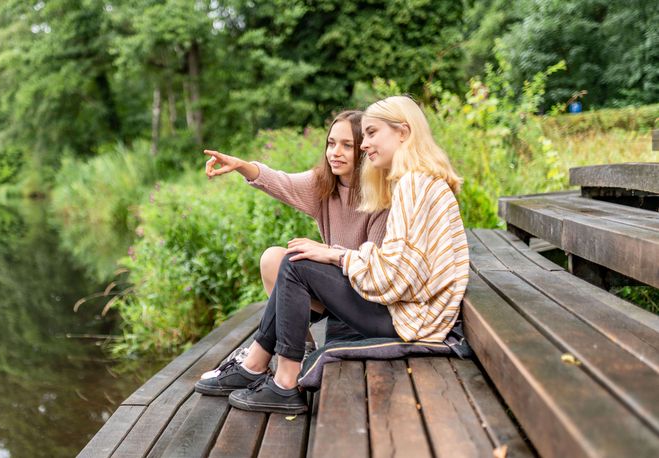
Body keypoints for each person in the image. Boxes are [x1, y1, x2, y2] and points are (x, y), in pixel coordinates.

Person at [197, 96, 468, 415]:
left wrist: (334, 256)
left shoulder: (411, 186)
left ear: (403, 133)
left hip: (409, 321)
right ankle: (257, 367)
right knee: (295, 258)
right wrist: (332, 254)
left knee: (296, 264)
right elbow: (400, 271)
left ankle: (283, 384)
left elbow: (393, 278)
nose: (365, 145)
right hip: (414, 314)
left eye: (370, 134)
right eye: (361, 137)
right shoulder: (418, 181)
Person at [193, 109, 389, 393]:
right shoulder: (324, 185)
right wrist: (241, 166)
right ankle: (302, 347)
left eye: (347, 145)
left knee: (298, 263)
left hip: (366, 296)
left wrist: (326, 251)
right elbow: (279, 181)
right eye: (331, 143)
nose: (336, 152)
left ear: (364, 149)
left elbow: (375, 268)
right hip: (335, 286)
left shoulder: (380, 195)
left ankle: (258, 365)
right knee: (274, 258)